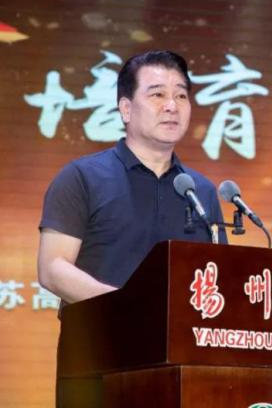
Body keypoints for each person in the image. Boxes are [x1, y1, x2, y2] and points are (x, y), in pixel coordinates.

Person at [37, 50, 226, 305]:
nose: (172, 106)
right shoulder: (82, 177)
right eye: (158, 95)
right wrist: (128, 307)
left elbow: (219, 276)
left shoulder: (200, 191)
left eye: (181, 96)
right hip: (101, 329)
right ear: (126, 109)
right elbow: (52, 268)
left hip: (183, 331)